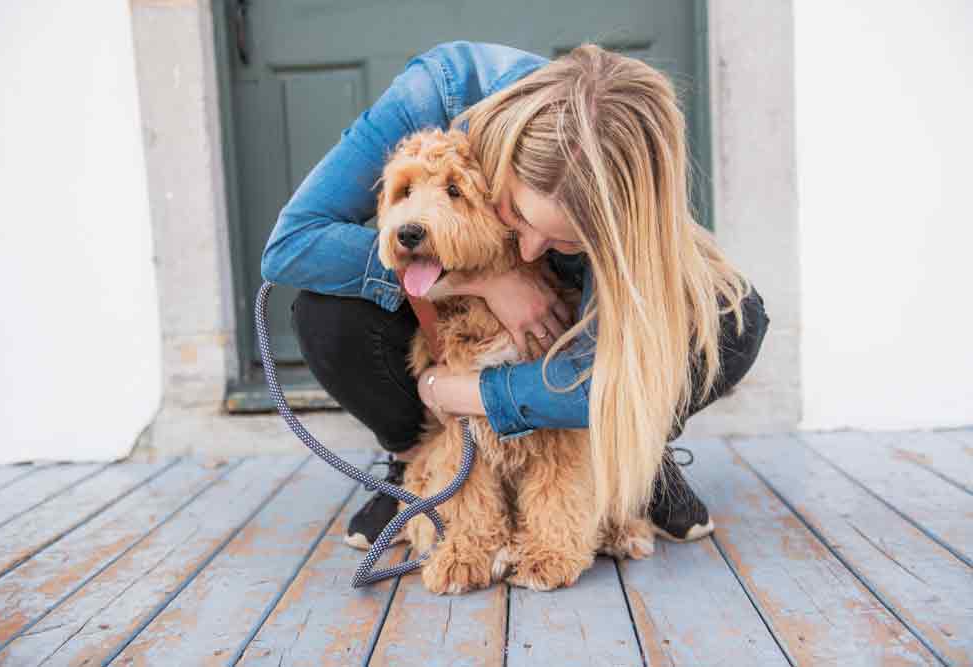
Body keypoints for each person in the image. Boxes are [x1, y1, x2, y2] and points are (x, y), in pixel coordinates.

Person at [261, 41, 769, 550]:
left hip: (562, 340)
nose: (529, 249)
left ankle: (630, 452)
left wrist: (453, 391)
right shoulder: (432, 93)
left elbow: (597, 377)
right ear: (506, 161)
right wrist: (486, 280)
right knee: (323, 314)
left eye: (564, 241)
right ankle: (418, 462)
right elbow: (291, 245)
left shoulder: (624, 182)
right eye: (518, 215)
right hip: (449, 322)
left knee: (730, 318)